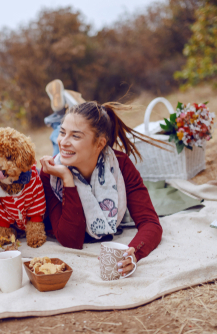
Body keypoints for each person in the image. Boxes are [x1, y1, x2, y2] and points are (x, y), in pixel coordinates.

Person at [39, 101, 163, 277]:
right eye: (62, 132)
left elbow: (150, 222)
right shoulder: (50, 175)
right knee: (58, 149)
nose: (63, 142)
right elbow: (71, 240)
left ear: (100, 144)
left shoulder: (120, 166)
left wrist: (132, 253)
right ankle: (58, 114)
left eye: (76, 136)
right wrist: (67, 179)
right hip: (64, 174)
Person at [44, 79, 85, 156]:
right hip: (66, 119)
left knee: (57, 135)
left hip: (73, 119)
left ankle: (56, 159)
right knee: (58, 135)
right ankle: (56, 158)